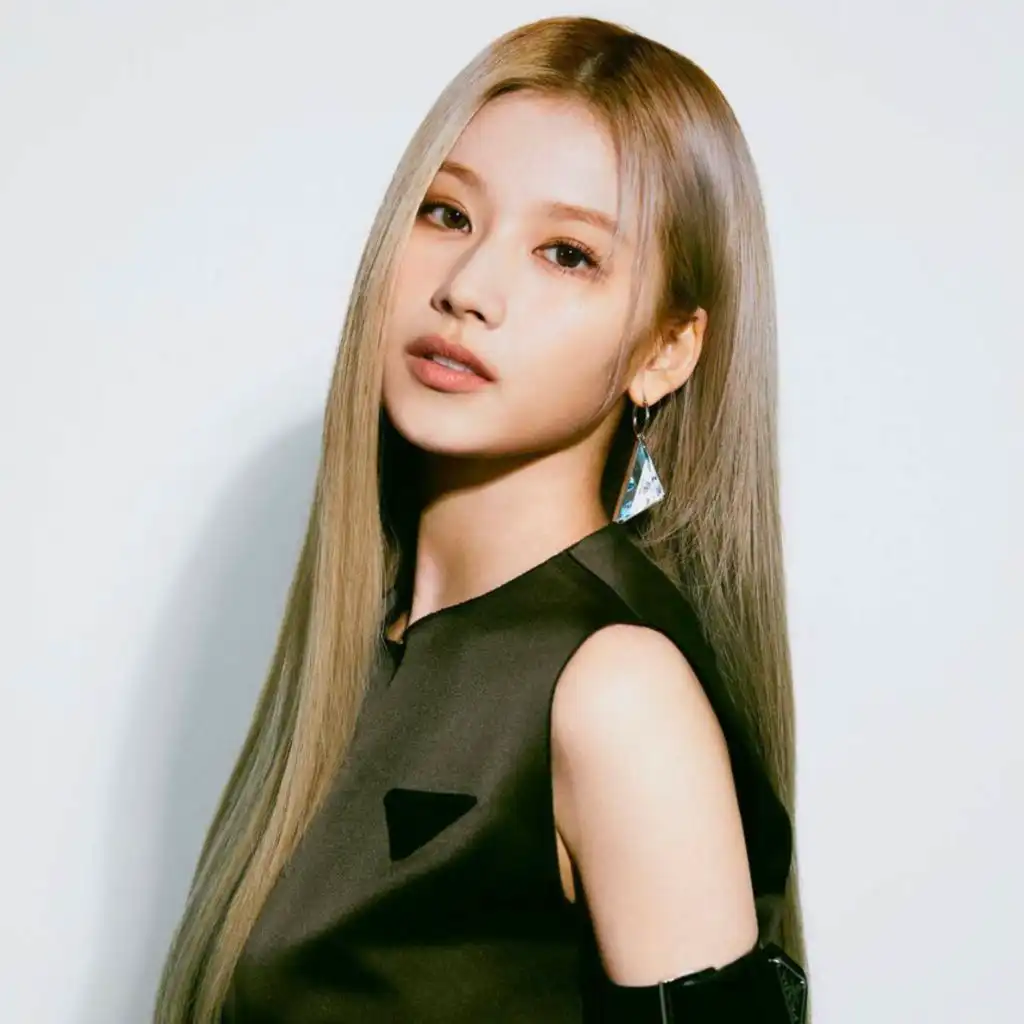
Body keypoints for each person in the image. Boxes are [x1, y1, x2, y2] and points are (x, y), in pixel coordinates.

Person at [154, 14, 809, 1024]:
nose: (467, 290)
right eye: (448, 215)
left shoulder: (614, 692)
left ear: (664, 352)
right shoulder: (362, 651)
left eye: (567, 253)